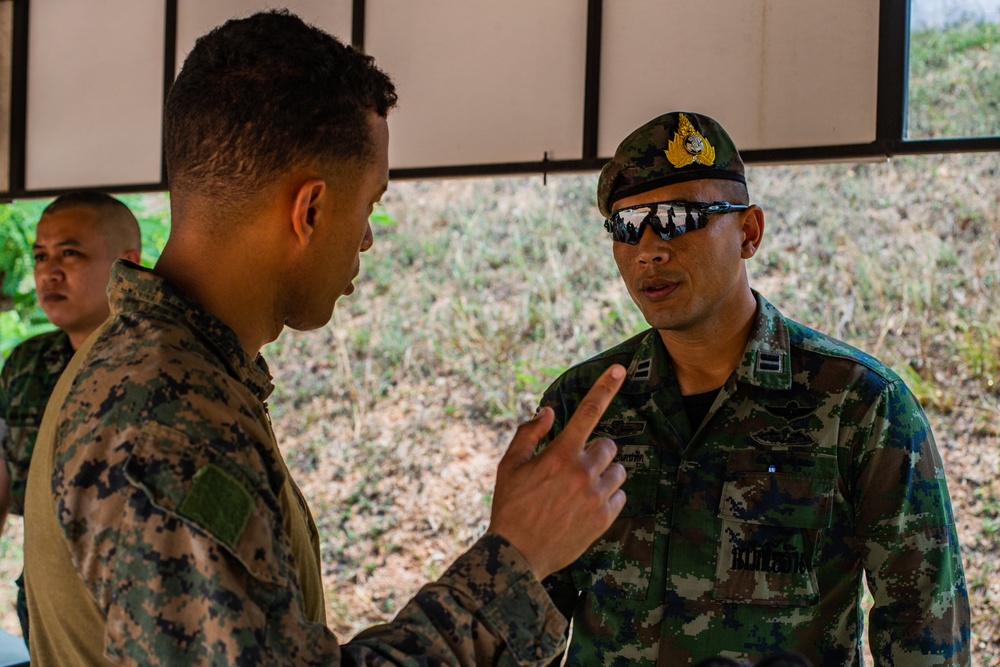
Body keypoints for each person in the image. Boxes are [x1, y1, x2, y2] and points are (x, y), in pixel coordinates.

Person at [22, 10, 628, 665]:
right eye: (367, 204)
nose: (367, 237)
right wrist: (514, 560)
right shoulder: (170, 419)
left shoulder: (157, 371)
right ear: (309, 210)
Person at [536, 111, 971, 665]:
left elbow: (924, 629)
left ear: (749, 232)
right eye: (626, 226)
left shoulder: (859, 404)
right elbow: (528, 610)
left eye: (676, 218)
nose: (648, 249)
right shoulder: (582, 407)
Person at [0, 190, 141, 643]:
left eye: (71, 253)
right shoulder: (26, 364)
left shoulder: (156, 362)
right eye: (41, 255)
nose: (48, 271)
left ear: (128, 263)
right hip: (43, 592)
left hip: (139, 599)